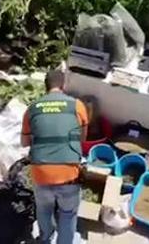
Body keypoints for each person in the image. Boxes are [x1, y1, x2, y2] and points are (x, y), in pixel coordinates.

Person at [21, 69, 89, 244]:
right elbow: (83, 138)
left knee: (44, 209)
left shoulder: (32, 108)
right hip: (69, 174)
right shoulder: (77, 105)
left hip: (41, 174)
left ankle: (45, 238)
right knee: (68, 213)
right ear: (63, 85)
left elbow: (24, 142)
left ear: (46, 87)